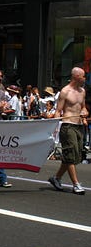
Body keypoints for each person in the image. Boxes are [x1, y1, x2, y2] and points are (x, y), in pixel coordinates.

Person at [48, 67, 88, 195]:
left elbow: (83, 108)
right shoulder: (65, 91)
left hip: (78, 126)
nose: (85, 79)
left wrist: (84, 113)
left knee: (74, 155)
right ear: (76, 77)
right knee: (70, 154)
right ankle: (76, 184)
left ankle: (56, 178)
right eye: (83, 76)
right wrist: (54, 127)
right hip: (67, 125)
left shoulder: (82, 91)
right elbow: (58, 111)